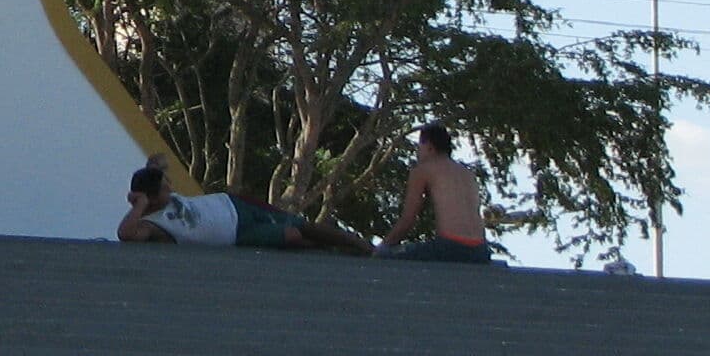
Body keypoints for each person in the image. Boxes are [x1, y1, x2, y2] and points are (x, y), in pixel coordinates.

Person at [119, 160, 371, 254]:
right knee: (292, 235)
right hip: (237, 233)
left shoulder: (162, 193)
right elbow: (126, 235)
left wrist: (153, 166)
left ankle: (358, 244)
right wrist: (139, 204)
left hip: (233, 204)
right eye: (165, 189)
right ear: (149, 198)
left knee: (297, 224)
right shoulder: (152, 226)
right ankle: (340, 249)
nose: (171, 190)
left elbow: (154, 172)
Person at [382, 122, 493, 262]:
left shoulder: (423, 170)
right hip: (481, 251)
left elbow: (408, 219)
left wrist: (383, 248)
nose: (417, 152)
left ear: (429, 147)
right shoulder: (467, 174)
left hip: (449, 248)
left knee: (387, 256)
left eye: (419, 146)